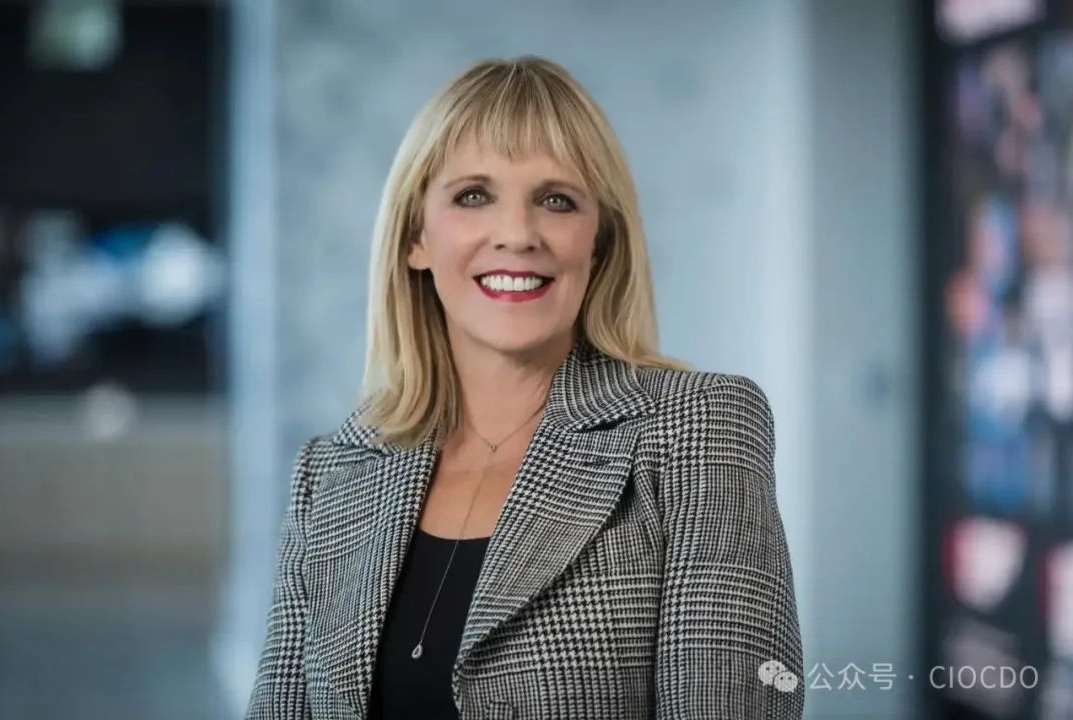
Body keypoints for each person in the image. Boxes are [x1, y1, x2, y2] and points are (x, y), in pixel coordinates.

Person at [245, 54, 803, 720]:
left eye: (556, 200)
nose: (517, 235)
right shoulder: (332, 473)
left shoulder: (699, 427)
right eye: (473, 196)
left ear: (599, 244)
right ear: (416, 237)